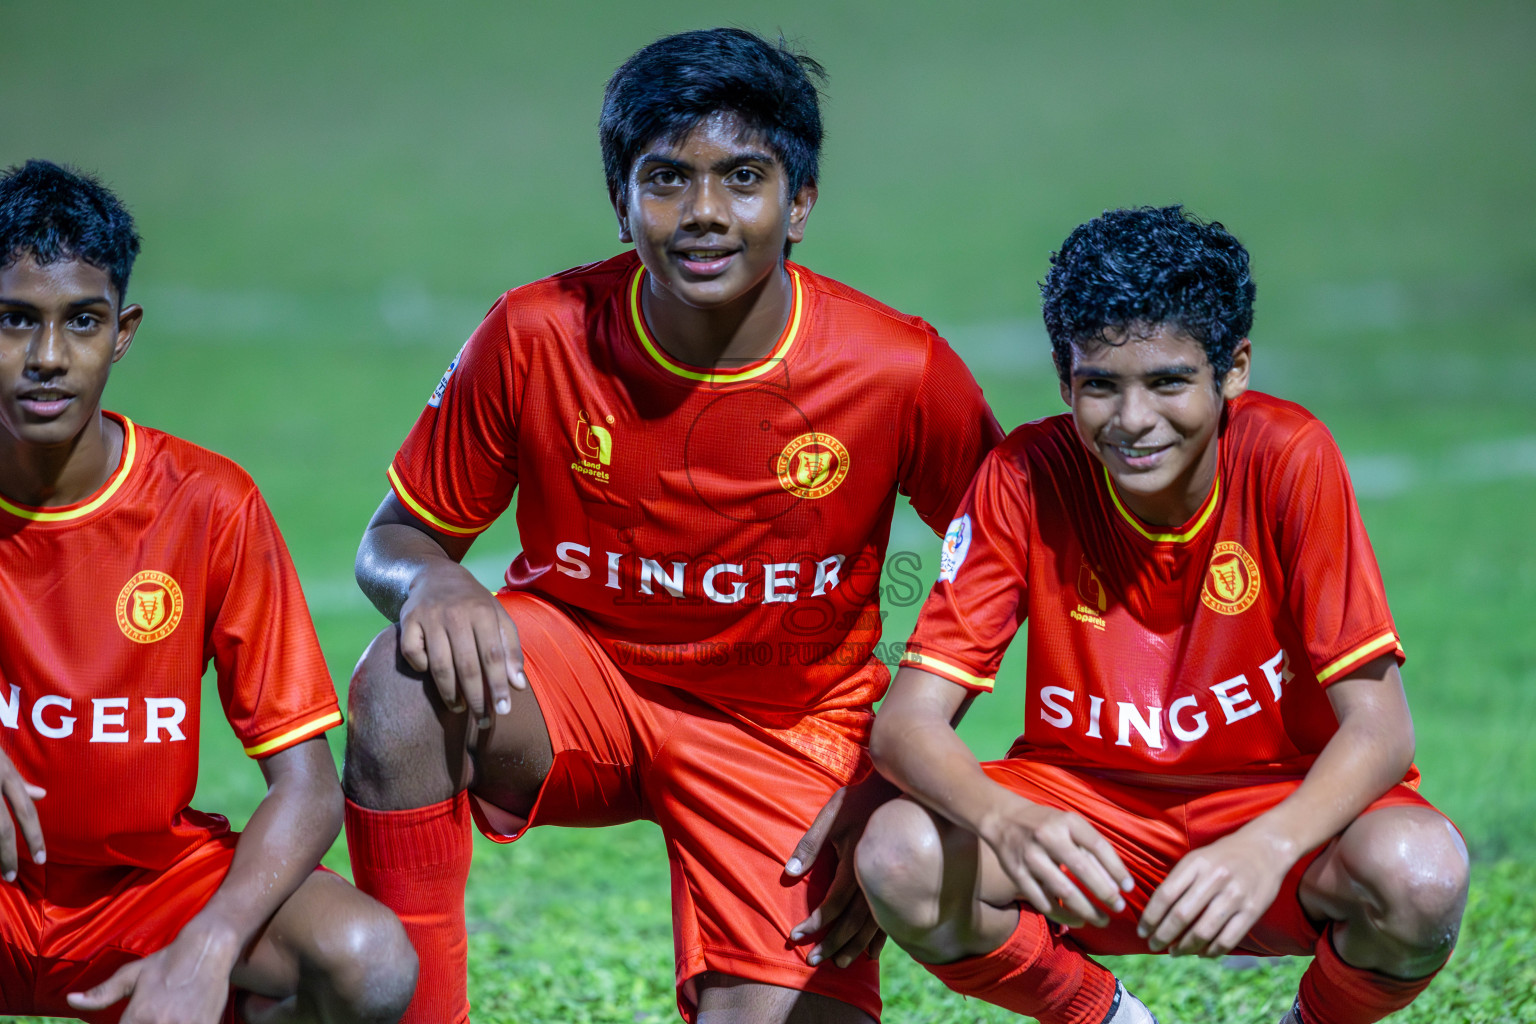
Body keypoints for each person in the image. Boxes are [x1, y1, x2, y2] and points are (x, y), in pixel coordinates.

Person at [341, 27, 1003, 1024]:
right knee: (400, 681)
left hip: (791, 725)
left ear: (801, 204)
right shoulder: (535, 331)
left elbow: (1004, 558)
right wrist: (431, 579)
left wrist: (896, 761)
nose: (703, 214)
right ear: (621, 201)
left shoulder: (898, 366)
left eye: (743, 177)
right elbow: (391, 539)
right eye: (666, 179)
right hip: (578, 684)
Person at [853, 206, 1469, 1024]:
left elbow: (1382, 732)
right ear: (1064, 378)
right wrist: (1005, 816)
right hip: (1088, 820)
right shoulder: (1025, 475)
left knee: (1421, 873)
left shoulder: (1289, 456)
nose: (1134, 420)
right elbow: (906, 726)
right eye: (1101, 385)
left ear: (1234, 368)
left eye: (1170, 381)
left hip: (1277, 813)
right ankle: (1106, 1017)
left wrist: (1271, 845)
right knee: (900, 854)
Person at [0, 159, 417, 1023]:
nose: (47, 356)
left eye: (80, 321)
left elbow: (306, 786)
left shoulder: (206, 503)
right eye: (14, 321)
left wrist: (210, 946)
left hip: (145, 891)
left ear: (122, 332)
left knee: (366, 962)